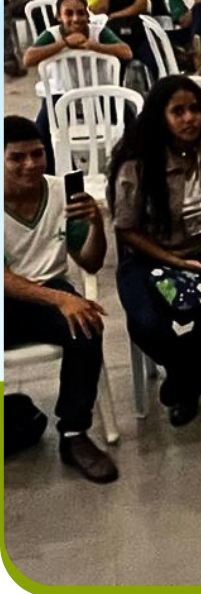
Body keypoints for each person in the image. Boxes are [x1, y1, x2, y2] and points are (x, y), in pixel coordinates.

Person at [108, 75, 201, 428]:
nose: (189, 118)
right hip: (147, 259)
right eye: (178, 111)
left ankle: (181, 382)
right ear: (160, 116)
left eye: (195, 109)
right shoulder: (137, 161)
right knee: (147, 325)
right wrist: (174, 261)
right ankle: (190, 374)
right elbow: (125, 230)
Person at [3, 116, 119, 484]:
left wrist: (97, 225)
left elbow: (90, 261)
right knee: (72, 308)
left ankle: (73, 433)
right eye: (17, 158)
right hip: (13, 297)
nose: (31, 165)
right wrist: (58, 299)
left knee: (86, 326)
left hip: (48, 291)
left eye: (38, 154)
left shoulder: (60, 194)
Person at [23, 0, 133, 174]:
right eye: (69, 13)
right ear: (58, 16)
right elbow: (28, 59)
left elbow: (126, 52)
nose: (76, 19)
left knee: (132, 125)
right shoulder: (53, 35)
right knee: (42, 134)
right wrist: (64, 44)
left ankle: (126, 171)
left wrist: (94, 46)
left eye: (81, 13)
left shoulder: (98, 32)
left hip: (100, 95)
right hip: (62, 96)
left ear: (88, 15)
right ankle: (56, 177)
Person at [87, 0, 157, 80]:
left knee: (150, 57)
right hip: (112, 35)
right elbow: (101, 10)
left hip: (135, 30)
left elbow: (142, 4)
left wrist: (116, 15)